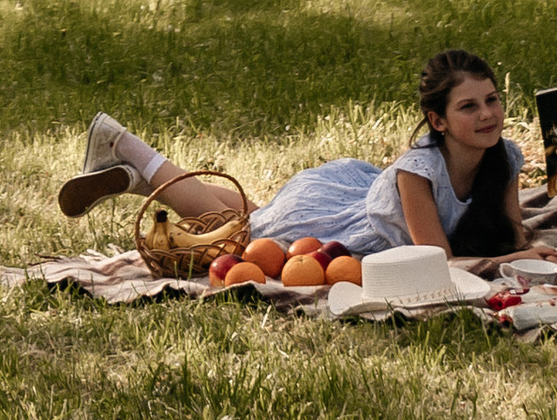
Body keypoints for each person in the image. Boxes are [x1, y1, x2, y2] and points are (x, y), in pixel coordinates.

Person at [59, 49, 527, 267]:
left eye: (492, 100)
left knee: (247, 214)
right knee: (244, 228)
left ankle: (134, 174)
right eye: (468, 106)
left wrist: (530, 252)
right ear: (437, 121)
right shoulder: (417, 172)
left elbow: (513, 235)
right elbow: (437, 261)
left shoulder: (504, 156)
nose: (487, 115)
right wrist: (512, 262)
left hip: (353, 194)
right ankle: (125, 145)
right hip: (328, 226)